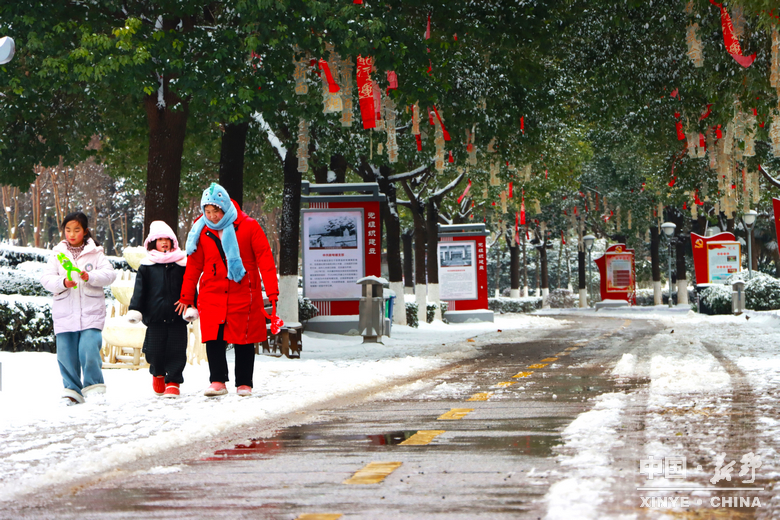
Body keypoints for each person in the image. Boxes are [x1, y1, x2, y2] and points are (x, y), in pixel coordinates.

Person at [176, 183, 279, 397]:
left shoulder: (249, 226)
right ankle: (217, 380)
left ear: (225, 207)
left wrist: (272, 292)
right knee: (213, 337)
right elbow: (194, 265)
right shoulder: (200, 230)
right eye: (208, 211)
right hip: (212, 291)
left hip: (243, 290)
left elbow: (265, 259)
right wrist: (186, 296)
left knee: (244, 337)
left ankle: (244, 383)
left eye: (216, 211)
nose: (212, 216)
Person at [40, 212, 117, 405]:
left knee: (89, 349)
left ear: (85, 231)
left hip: (91, 312)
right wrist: (63, 282)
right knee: (65, 353)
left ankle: (94, 388)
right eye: (68, 230)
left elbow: (110, 275)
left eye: (76, 230)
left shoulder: (96, 252)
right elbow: (46, 279)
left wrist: (90, 277)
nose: (72, 234)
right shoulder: (57, 253)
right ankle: (71, 391)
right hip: (65, 312)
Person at [126, 221, 197, 398]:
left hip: (177, 318)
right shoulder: (147, 265)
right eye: (160, 239)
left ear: (173, 242)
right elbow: (140, 290)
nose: (164, 242)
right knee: (154, 351)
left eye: (167, 239)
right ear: (152, 242)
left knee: (176, 351)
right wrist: (136, 309)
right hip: (155, 318)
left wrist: (190, 304)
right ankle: (157, 373)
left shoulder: (182, 263)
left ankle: (173, 381)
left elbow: (189, 286)